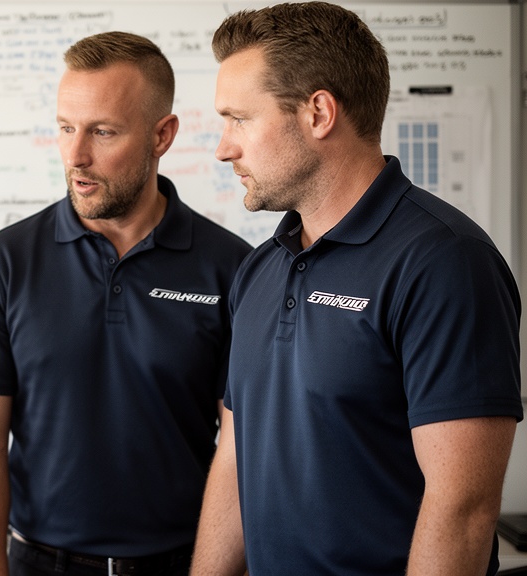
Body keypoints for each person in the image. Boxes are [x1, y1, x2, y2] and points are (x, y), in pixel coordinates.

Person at [189, 3, 523, 575]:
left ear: (318, 113)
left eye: (239, 119)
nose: (223, 147)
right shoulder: (260, 268)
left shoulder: (444, 263)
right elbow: (237, 455)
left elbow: (462, 510)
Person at [0, 31, 252, 576]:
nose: (76, 156)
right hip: (37, 562)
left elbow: (242, 449)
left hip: (182, 562)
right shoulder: (4, 261)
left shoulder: (234, 268)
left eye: (103, 131)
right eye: (66, 128)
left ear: (162, 135)